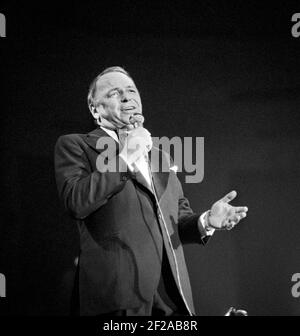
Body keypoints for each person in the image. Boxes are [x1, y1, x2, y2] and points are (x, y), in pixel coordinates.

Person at [54, 66, 248, 316]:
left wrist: (207, 221)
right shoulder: (75, 145)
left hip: (168, 299)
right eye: (114, 93)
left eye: (131, 90)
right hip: (116, 298)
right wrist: (127, 156)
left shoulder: (161, 159)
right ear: (95, 109)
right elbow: (77, 201)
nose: (127, 97)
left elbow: (175, 225)